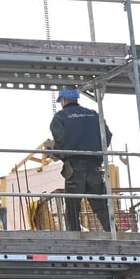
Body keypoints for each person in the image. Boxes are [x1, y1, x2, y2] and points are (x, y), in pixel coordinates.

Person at [48, 88, 113, 232]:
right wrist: (97, 151)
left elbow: (60, 140)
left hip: (74, 167)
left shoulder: (60, 117)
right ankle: (113, 235)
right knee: (102, 208)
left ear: (63, 100)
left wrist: (57, 154)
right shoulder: (93, 115)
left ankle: (75, 239)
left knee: (72, 208)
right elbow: (107, 136)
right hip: (94, 167)